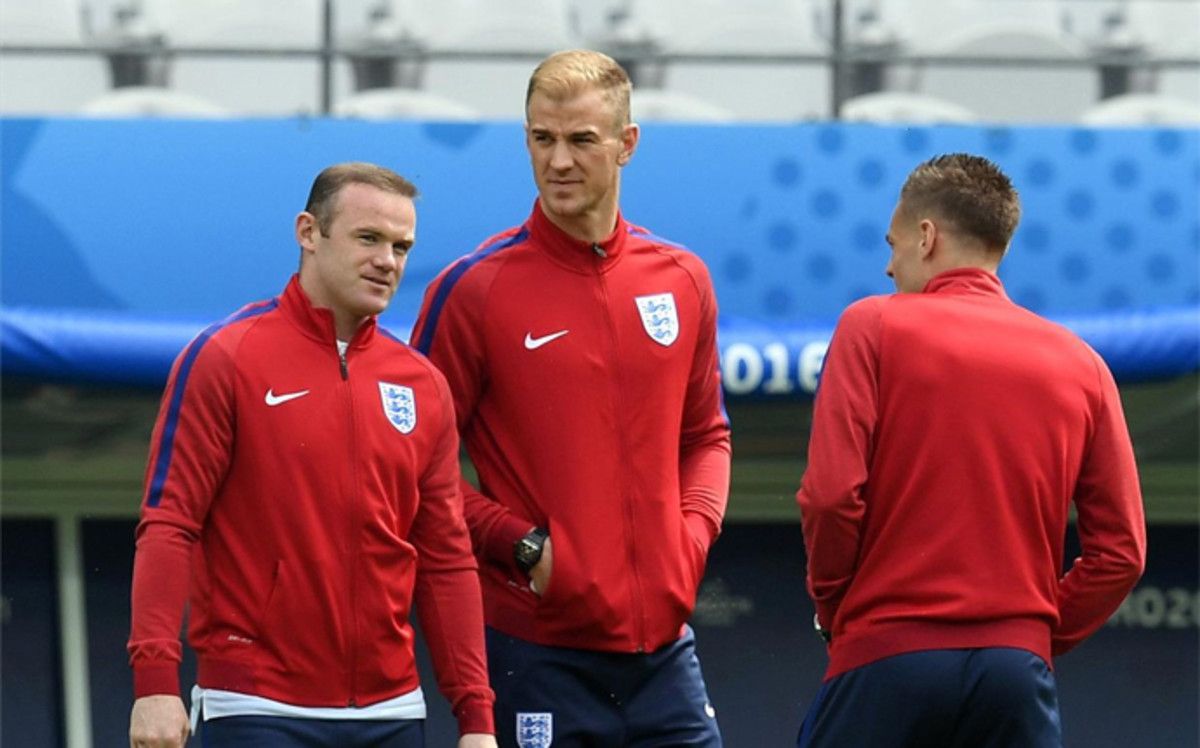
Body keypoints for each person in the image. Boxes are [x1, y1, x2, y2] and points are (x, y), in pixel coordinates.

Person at [411, 50, 731, 747]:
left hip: (666, 653)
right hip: (536, 650)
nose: (558, 161)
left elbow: (706, 435)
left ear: (627, 143)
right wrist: (522, 547)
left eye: (582, 140)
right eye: (541, 138)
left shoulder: (682, 279)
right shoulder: (473, 290)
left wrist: (691, 539)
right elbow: (407, 464)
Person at [127, 162, 497, 748]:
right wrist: (154, 682)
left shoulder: (423, 384)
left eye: (402, 247)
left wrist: (476, 717)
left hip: (392, 711)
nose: (388, 261)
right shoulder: (227, 357)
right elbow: (170, 524)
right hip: (254, 705)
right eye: (368, 238)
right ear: (308, 232)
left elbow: (446, 558)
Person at [795, 153, 1147, 747]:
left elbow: (831, 497)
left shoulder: (871, 325)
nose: (888, 266)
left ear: (927, 237)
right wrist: (1028, 633)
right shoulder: (1083, 364)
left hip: (885, 655)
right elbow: (1122, 554)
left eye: (894, 243)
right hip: (1016, 674)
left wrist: (837, 614)